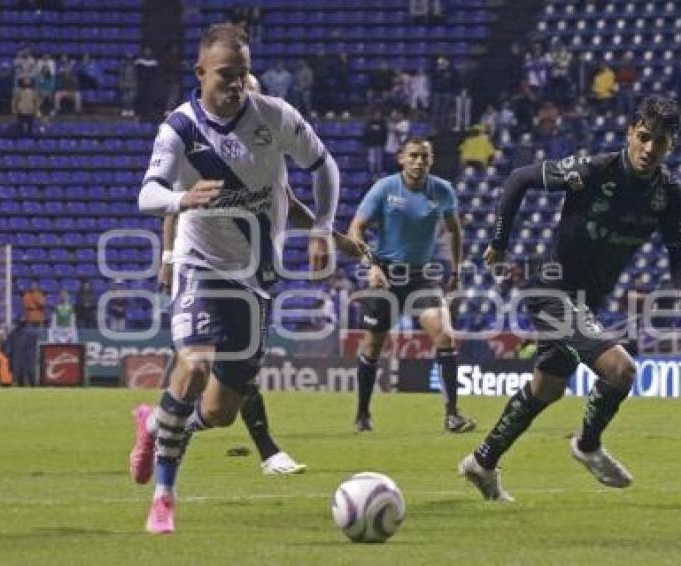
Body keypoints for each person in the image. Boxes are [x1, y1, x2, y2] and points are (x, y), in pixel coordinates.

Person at [132, 23, 341, 534]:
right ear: (200, 72)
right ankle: (164, 497)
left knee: (221, 412)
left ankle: (156, 423)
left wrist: (323, 230)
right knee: (195, 364)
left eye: (244, 73)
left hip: (256, 279)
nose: (236, 84)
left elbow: (324, 165)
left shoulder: (274, 116)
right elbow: (147, 194)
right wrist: (182, 199)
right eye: (226, 74)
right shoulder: (179, 129)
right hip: (201, 266)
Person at [458, 95, 681, 501]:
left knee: (547, 389)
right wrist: (499, 243)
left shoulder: (668, 194)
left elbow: (680, 249)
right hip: (551, 290)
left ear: (671, 145)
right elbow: (519, 178)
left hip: (586, 302)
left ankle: (482, 462)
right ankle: (587, 445)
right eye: (643, 137)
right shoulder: (594, 170)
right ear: (630, 132)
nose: (649, 148)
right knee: (620, 371)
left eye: (660, 141)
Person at [347, 136, 475, 434]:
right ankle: (363, 414)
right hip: (386, 274)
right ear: (401, 158)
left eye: (425, 157)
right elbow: (356, 229)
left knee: (444, 335)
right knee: (373, 346)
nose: (419, 161)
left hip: (421, 276)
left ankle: (452, 414)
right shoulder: (385, 188)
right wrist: (371, 265)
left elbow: (455, 230)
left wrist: (456, 270)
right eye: (414, 155)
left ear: (431, 160)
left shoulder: (442, 190)